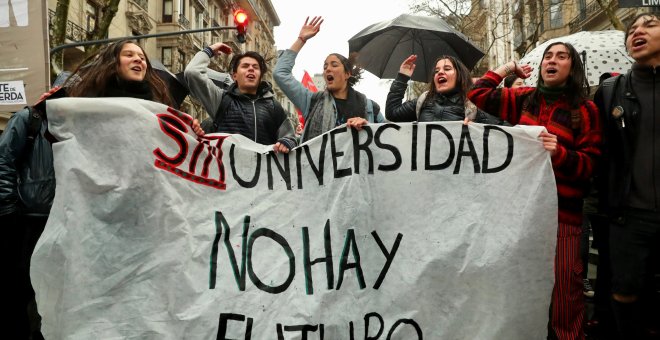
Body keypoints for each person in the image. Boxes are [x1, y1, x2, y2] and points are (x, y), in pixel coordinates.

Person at [468, 42, 601, 340]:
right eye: (548, 57)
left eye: (561, 57)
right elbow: (477, 94)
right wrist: (506, 69)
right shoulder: (525, 99)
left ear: (572, 67)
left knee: (566, 292)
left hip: (563, 217)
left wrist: (561, 154)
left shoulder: (585, 110)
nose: (551, 61)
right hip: (523, 215)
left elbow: (591, 165)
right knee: (523, 284)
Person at [594, 12, 660, 339]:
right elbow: (594, 148)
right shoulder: (611, 91)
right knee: (625, 291)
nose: (637, 31)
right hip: (628, 216)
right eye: (631, 29)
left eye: (649, 25)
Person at [273, 16, 385, 143]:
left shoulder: (369, 107)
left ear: (347, 74)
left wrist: (368, 127)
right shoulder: (311, 101)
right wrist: (301, 39)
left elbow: (389, 135)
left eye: (334, 65)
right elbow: (280, 74)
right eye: (325, 66)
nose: (327, 69)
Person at [184, 43, 297, 153]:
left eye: (255, 67)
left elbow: (289, 137)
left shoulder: (273, 105)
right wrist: (209, 50)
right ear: (234, 76)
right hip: (228, 170)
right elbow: (192, 72)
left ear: (260, 76)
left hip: (262, 171)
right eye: (245, 66)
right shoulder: (221, 99)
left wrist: (286, 143)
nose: (251, 69)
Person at [385, 54, 508, 125]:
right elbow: (392, 113)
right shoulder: (423, 101)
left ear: (459, 75)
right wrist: (402, 77)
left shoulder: (475, 103)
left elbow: (504, 128)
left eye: (447, 69)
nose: (440, 73)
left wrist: (478, 127)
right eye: (436, 71)